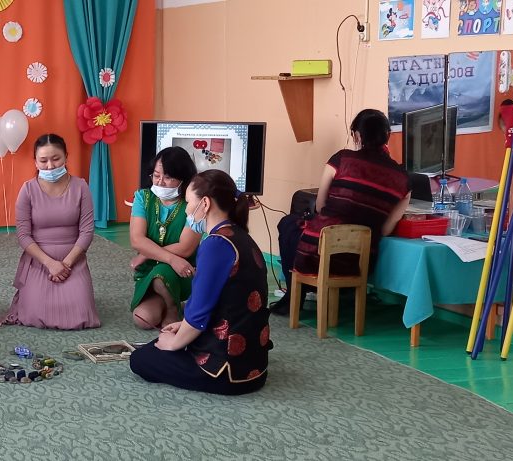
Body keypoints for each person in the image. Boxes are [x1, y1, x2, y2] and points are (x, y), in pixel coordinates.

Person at [130, 170, 271, 395]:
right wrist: (182, 325)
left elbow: (199, 311)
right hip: (254, 366)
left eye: (188, 202)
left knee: (141, 358)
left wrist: (174, 343)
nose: (187, 210)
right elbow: (224, 303)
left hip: (226, 372)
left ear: (204, 203)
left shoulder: (215, 245)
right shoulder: (239, 235)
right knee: (164, 341)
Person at [270, 109, 411, 315]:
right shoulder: (404, 179)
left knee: (289, 224)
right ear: (387, 136)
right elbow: (386, 230)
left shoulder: (341, 159)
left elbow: (320, 206)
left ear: (357, 135)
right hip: (361, 261)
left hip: (318, 255)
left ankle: (295, 295)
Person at [5, 134, 99, 329]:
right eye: (43, 160)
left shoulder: (81, 187)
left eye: (56, 159)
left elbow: (87, 232)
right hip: (39, 261)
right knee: (35, 313)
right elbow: (23, 235)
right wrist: (50, 264)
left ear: (66, 157)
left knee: (81, 314)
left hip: (73, 260)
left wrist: (65, 265)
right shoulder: (27, 190)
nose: (50, 166)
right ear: (35, 162)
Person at [129, 146, 200, 329]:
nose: (160, 182)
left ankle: (172, 309)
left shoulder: (193, 203)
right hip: (150, 270)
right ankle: (169, 301)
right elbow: (137, 240)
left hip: (183, 270)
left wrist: (147, 254)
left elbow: (185, 248)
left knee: (162, 273)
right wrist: (170, 258)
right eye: (156, 175)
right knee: (143, 319)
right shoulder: (143, 197)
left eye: (168, 177)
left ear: (183, 178)